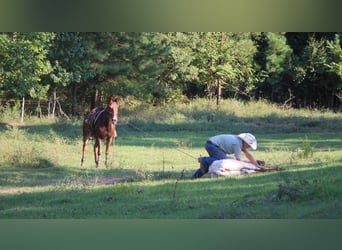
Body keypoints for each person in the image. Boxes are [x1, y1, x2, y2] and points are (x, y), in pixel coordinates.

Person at [192, 133, 266, 178]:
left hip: (211, 144)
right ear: (245, 142)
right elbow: (238, 161)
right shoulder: (237, 144)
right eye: (249, 145)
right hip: (212, 145)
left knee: (213, 163)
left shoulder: (240, 142)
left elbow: (248, 155)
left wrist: (256, 164)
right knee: (223, 161)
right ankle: (204, 160)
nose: (249, 147)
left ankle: (195, 177)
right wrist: (250, 166)